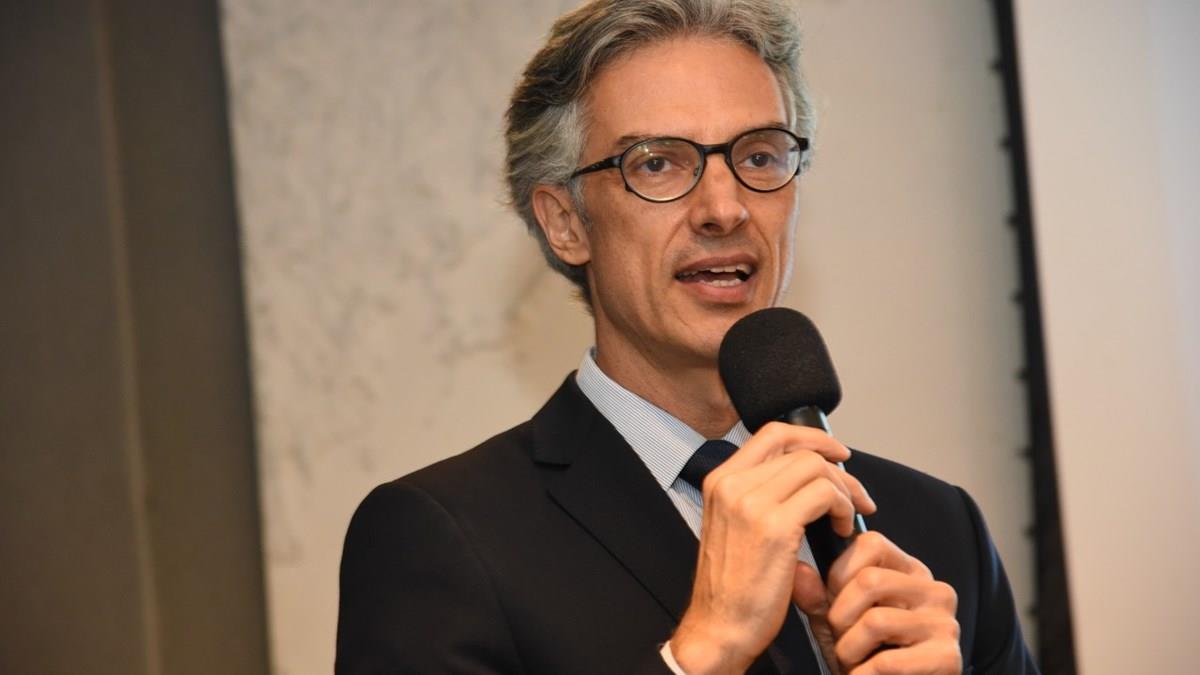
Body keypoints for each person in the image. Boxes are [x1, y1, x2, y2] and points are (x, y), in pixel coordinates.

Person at [335, 1, 1038, 673]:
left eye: (759, 156)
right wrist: (705, 651)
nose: (725, 208)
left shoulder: (938, 529)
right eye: (657, 163)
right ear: (566, 223)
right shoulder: (441, 537)